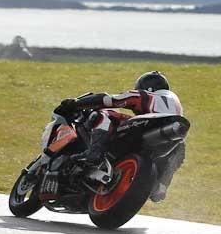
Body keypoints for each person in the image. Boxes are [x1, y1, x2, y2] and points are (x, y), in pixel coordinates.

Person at [57, 71, 185, 202]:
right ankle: (160, 187)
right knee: (178, 151)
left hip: (152, 125)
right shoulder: (175, 105)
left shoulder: (146, 95)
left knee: (105, 113)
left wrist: (76, 104)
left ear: (147, 87)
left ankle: (94, 153)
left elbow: (109, 100)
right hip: (174, 137)